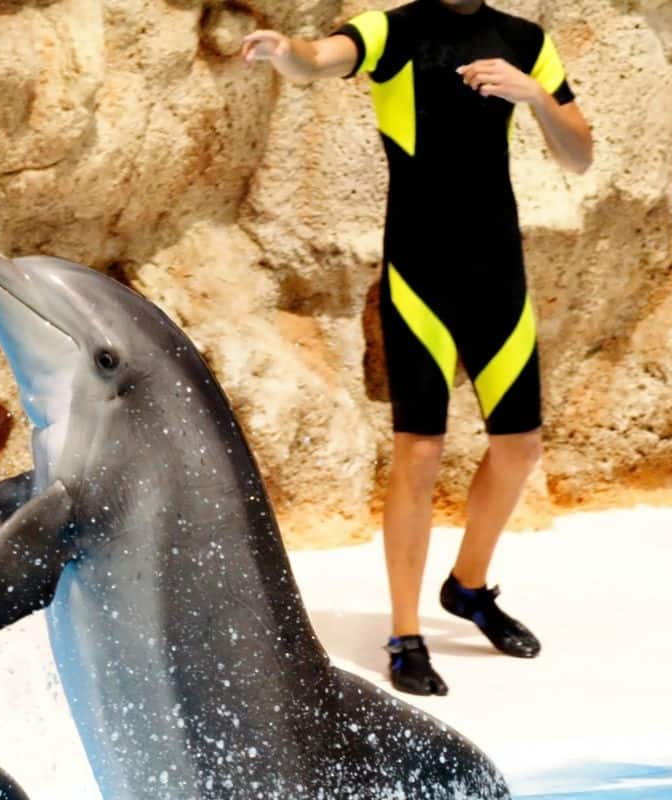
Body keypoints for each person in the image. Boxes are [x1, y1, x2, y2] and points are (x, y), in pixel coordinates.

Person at [241, 2, 593, 696]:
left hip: (497, 271)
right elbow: (319, 59)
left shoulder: (525, 41)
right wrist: (286, 52)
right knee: (420, 451)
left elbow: (579, 155)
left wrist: (536, 94)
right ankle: (405, 633)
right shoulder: (393, 30)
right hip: (420, 273)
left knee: (520, 447)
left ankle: (467, 586)